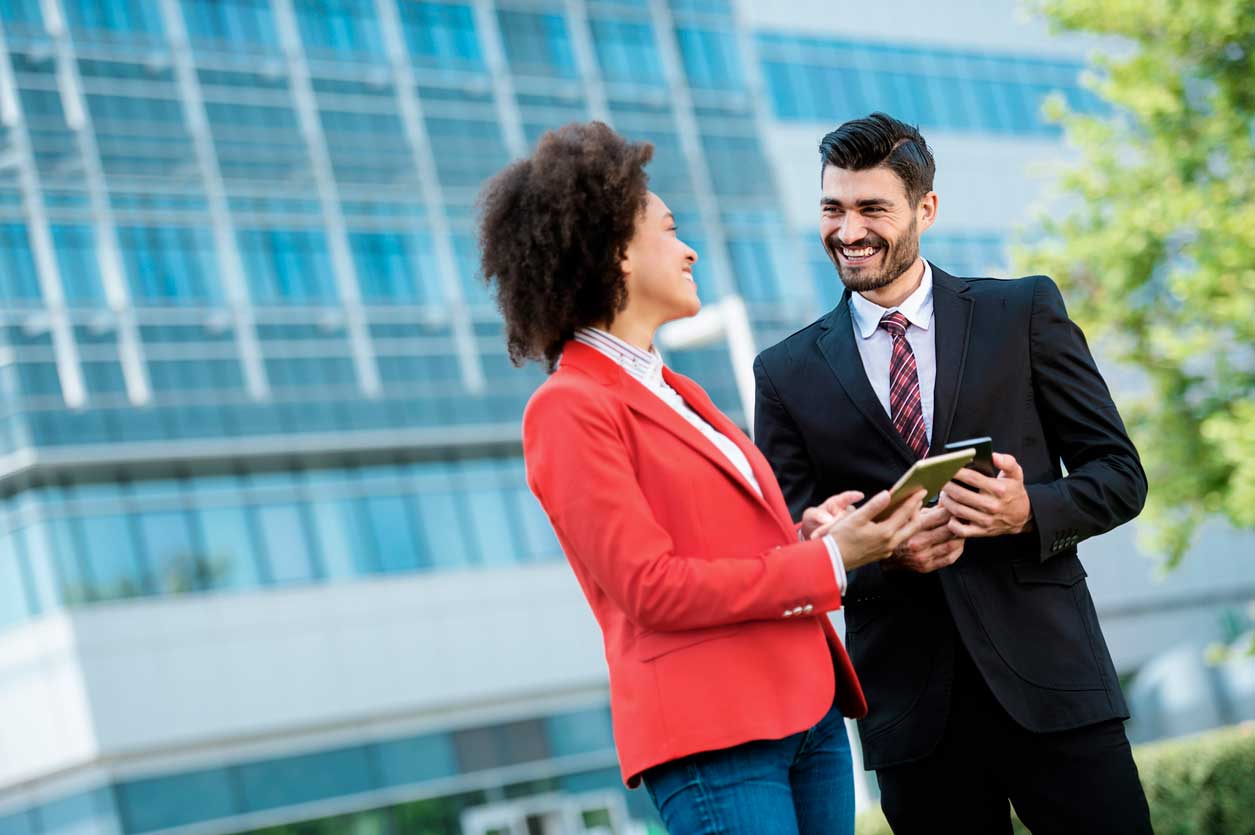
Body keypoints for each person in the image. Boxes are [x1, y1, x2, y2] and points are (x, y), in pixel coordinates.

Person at [478, 121, 926, 835]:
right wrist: (831, 560)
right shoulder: (567, 407)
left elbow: (722, 541)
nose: (687, 248)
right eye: (667, 229)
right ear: (616, 252)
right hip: (716, 733)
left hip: (803, 711)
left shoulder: (679, 391)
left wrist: (811, 532)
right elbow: (650, 587)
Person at [753, 113, 1153, 834]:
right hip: (912, 715)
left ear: (924, 208)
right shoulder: (783, 372)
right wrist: (879, 555)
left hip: (1053, 685)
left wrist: (1024, 509)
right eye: (832, 208)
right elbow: (790, 550)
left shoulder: (1022, 310)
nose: (848, 231)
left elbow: (1119, 475)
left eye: (871, 208)